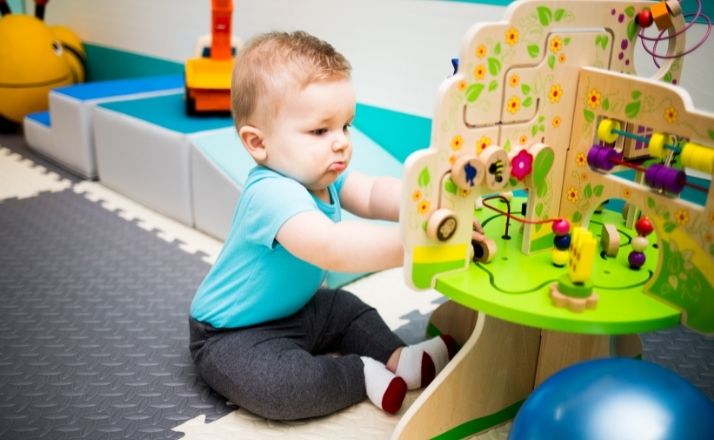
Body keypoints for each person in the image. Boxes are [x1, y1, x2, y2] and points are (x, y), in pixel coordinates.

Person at [189, 30, 455, 421]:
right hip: (231, 334)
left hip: (301, 308)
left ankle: (398, 355)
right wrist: (414, 245)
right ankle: (360, 373)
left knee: (346, 308)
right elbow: (330, 246)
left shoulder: (323, 176)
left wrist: (426, 204)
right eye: (320, 131)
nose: (342, 142)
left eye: (346, 126)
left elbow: (373, 193)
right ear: (258, 143)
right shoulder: (269, 194)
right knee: (281, 390)